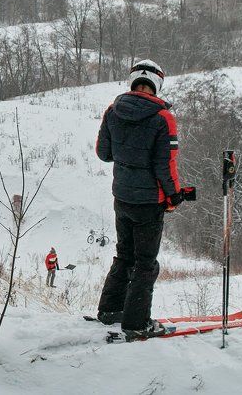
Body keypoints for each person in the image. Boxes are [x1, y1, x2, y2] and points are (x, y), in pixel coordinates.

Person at [94, 60, 183, 340]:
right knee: (146, 264)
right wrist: (174, 195)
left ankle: (110, 310)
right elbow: (165, 164)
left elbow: (103, 153)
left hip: (121, 196)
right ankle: (136, 323)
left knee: (124, 255)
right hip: (149, 202)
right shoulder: (162, 117)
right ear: (157, 84)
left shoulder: (113, 110)